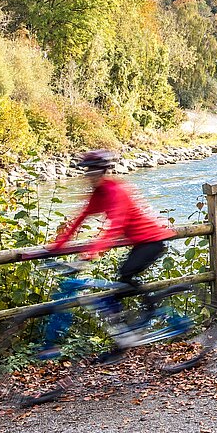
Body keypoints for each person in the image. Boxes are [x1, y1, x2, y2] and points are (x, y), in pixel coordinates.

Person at [40, 150, 174, 354]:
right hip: (139, 242)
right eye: (87, 173)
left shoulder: (116, 191)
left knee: (125, 275)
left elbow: (114, 227)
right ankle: (124, 336)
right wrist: (54, 248)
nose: (90, 177)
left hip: (153, 240)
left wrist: (90, 253)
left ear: (103, 172)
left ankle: (151, 308)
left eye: (93, 173)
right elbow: (79, 219)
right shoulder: (98, 194)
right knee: (118, 286)